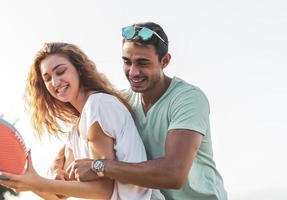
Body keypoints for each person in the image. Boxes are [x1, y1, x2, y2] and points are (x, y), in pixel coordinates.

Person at [62, 22, 228, 200]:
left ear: (165, 61)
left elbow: (174, 173)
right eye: (127, 62)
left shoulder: (187, 99)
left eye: (142, 63)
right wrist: (60, 165)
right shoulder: (122, 102)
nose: (133, 72)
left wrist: (99, 166)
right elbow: (81, 139)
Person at [0, 42, 164, 200]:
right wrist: (24, 180)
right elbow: (58, 197)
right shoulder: (75, 131)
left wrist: (37, 182)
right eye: (47, 78)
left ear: (78, 69)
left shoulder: (98, 106)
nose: (55, 82)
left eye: (61, 71)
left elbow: (104, 191)